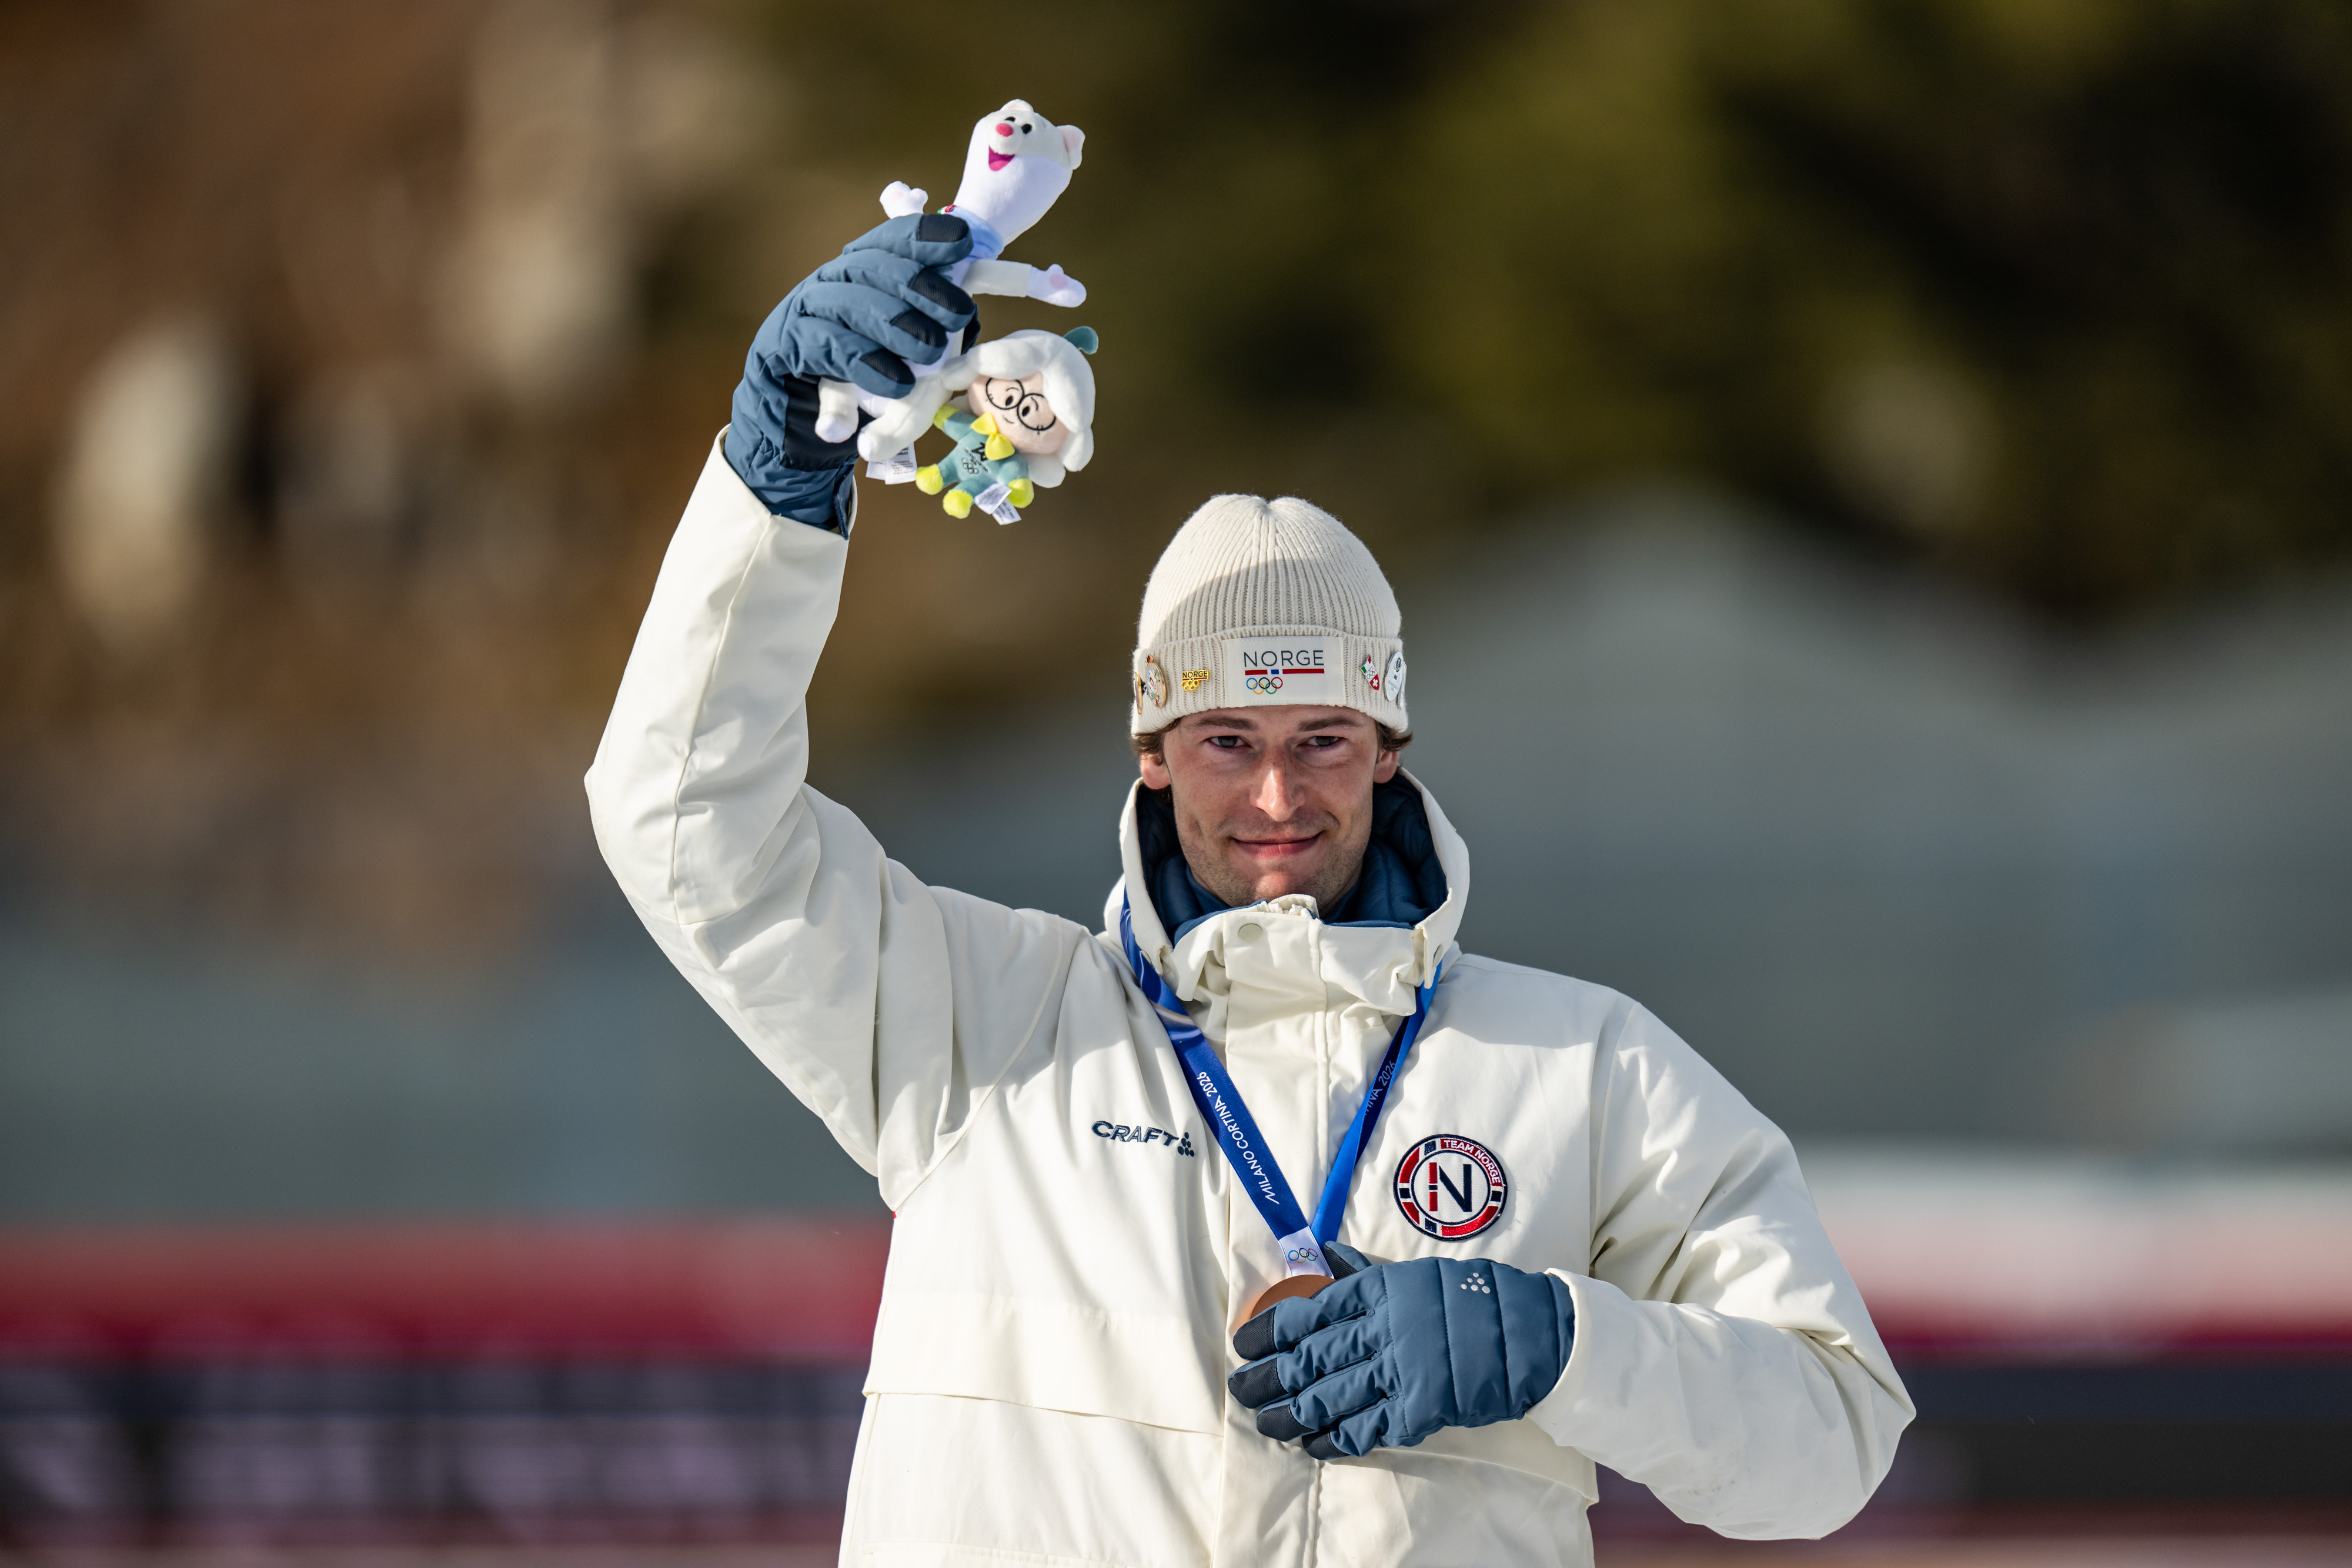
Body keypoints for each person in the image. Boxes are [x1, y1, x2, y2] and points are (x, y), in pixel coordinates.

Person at [586, 215, 1913, 1568]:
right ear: (1153, 755)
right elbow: (688, 824)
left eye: (1322, 740)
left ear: (1387, 749)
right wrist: (776, 482)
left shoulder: (1577, 1067)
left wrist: (1562, 1340)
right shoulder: (980, 1026)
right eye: (1227, 741)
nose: (1278, 798)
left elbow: (1831, 1437)